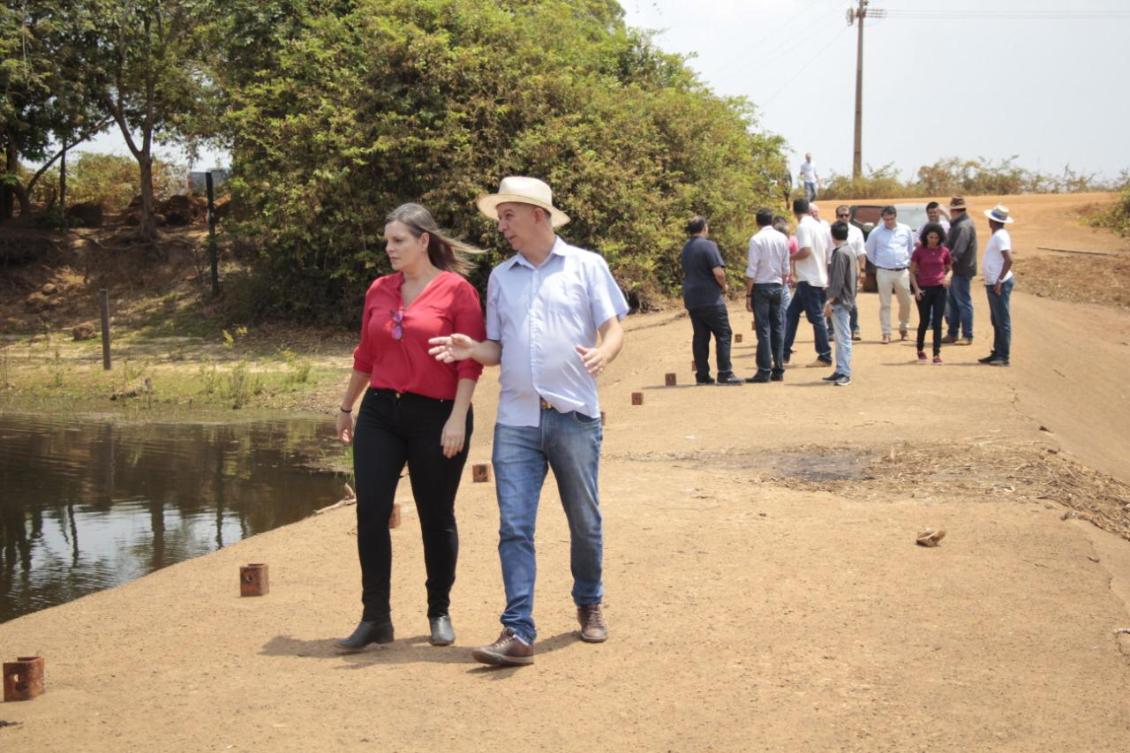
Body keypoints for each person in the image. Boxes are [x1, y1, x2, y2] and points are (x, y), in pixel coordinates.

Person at [428, 176, 628, 667]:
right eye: (499, 218)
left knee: (584, 519)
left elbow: (613, 327)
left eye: (508, 216)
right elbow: (497, 348)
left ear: (538, 214)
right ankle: (517, 629)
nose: (502, 227)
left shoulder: (586, 266)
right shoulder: (501, 277)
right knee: (514, 526)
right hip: (515, 421)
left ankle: (589, 601)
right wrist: (473, 349)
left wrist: (604, 352)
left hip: (574, 416)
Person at [335, 203, 486, 653]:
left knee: (435, 515)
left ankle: (439, 611)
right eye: (386, 241)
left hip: (438, 414)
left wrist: (457, 418)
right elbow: (366, 355)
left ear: (424, 241)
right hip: (381, 411)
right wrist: (347, 407)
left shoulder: (458, 292)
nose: (389, 249)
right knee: (371, 511)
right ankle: (375, 617)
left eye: (398, 240)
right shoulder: (379, 290)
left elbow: (470, 362)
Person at [681, 216, 742, 385]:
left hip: (692, 298)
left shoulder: (685, 247)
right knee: (723, 333)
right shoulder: (709, 245)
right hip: (710, 298)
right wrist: (724, 286)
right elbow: (719, 272)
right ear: (704, 228)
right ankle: (725, 373)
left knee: (700, 336)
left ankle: (702, 375)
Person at [783, 198, 832, 367]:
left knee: (816, 318)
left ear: (794, 212)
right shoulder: (819, 225)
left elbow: (805, 251)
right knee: (791, 314)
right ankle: (784, 353)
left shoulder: (803, 227)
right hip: (815, 277)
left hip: (810, 279)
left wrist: (790, 257)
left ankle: (824, 355)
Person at [744, 208, 790, 383]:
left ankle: (764, 370)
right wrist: (782, 285)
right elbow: (786, 268)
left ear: (757, 222)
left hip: (761, 287)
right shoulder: (782, 238)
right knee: (777, 328)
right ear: (771, 221)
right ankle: (778, 369)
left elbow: (752, 270)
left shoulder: (756, 239)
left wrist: (748, 294)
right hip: (778, 285)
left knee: (763, 330)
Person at [864, 205, 915, 343]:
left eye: (891, 219)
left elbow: (910, 248)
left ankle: (904, 327)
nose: (889, 222)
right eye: (886, 219)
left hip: (902, 271)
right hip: (884, 272)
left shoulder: (906, 230)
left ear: (895, 217)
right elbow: (869, 251)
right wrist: (880, 263)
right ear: (883, 218)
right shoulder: (876, 232)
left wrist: (905, 261)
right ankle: (886, 332)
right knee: (885, 303)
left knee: (906, 302)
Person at [910, 222, 953, 364]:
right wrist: (916, 289)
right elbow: (912, 272)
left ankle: (936, 353)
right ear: (925, 237)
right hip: (924, 289)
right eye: (931, 237)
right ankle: (920, 349)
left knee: (937, 322)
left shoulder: (944, 251)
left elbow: (950, 268)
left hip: (940, 288)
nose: (933, 240)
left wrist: (947, 277)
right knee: (924, 321)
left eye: (936, 237)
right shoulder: (919, 251)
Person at [978, 204, 1015, 366]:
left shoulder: (1000, 236)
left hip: (999, 283)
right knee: (996, 319)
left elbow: (1009, 259)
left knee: (1002, 320)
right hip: (993, 282)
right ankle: (997, 351)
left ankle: (1003, 355)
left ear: (991, 220)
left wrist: (1000, 280)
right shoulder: (998, 234)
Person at [822, 221, 858, 387]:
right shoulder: (849, 250)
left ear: (832, 235)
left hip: (841, 301)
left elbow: (837, 281)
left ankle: (845, 372)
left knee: (843, 337)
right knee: (840, 336)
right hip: (846, 299)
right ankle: (840, 369)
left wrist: (830, 301)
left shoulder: (840, 253)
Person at [942, 196, 977, 345]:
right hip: (956, 270)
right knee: (954, 303)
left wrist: (948, 269)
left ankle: (967, 335)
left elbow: (958, 251)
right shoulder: (957, 224)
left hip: (961, 270)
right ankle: (952, 333)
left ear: (954, 211)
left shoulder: (963, 226)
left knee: (963, 303)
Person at [835, 204, 867, 340]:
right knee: (832, 298)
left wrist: (863, 270)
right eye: (841, 215)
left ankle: (854, 328)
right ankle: (832, 330)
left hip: (851, 271)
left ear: (850, 216)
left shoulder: (856, 231)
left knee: (851, 300)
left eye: (846, 215)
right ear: (836, 216)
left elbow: (861, 253)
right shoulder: (831, 230)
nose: (844, 218)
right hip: (835, 269)